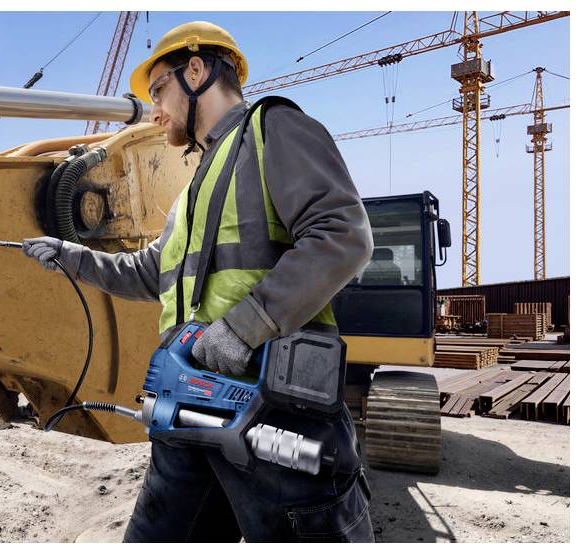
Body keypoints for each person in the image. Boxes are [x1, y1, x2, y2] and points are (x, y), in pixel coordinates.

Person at [23, 21, 375, 542]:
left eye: (159, 89)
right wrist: (73, 257)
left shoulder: (273, 129)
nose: (156, 110)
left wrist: (242, 328)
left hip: (274, 410)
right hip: (190, 409)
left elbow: (342, 236)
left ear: (196, 70)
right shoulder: (193, 191)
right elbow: (150, 273)